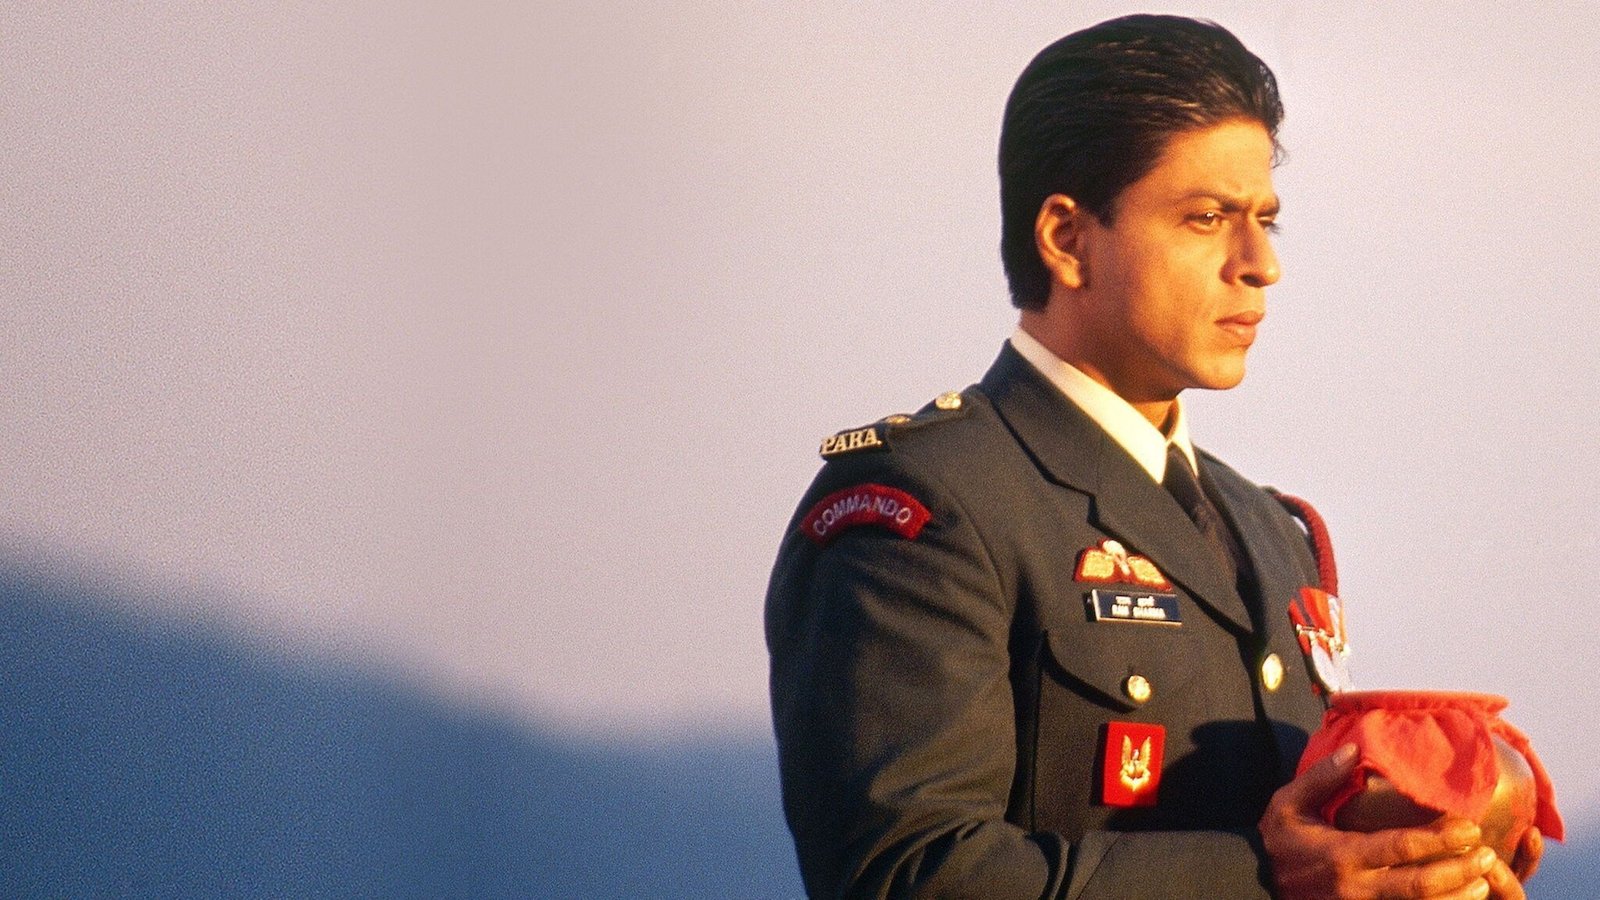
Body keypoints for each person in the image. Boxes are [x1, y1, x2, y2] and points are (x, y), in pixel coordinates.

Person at [765, 14, 1541, 899]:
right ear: (1066, 239)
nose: (1260, 264)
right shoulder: (929, 503)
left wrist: (1413, 863)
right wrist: (1266, 879)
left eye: (1266, 221)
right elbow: (907, 876)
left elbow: (1312, 852)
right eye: (1207, 218)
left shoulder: (1270, 531)